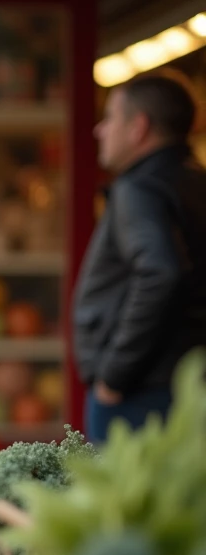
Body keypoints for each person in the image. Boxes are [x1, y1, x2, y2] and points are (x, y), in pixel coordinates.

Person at [75, 74, 206, 442]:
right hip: (188, 384)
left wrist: (115, 376)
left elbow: (162, 272)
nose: (100, 130)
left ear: (139, 127)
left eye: (110, 117)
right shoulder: (196, 181)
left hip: (140, 394)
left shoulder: (138, 188)